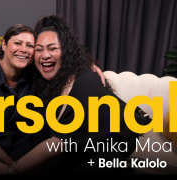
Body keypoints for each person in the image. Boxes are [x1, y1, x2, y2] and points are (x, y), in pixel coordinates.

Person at [0, 22, 106, 174]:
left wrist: (87, 64)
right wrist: (10, 165)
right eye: (17, 43)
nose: (23, 50)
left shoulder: (30, 70)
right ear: (4, 45)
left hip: (15, 140)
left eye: (30, 46)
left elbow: (64, 57)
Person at [12, 15, 151, 174]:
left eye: (52, 48)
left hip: (115, 135)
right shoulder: (46, 76)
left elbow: (57, 143)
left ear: (65, 51)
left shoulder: (85, 82)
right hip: (84, 135)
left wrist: (13, 168)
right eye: (39, 49)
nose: (45, 55)